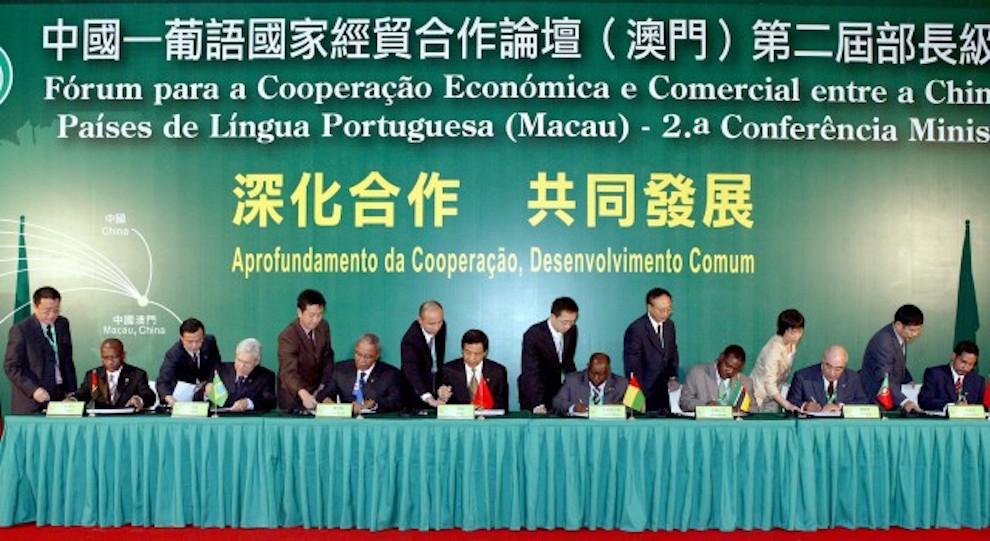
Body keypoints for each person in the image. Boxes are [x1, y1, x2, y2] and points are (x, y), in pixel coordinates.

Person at [4, 286, 77, 414]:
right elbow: (11, 366)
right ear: (35, 306)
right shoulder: (21, 330)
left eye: (56, 310)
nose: (52, 315)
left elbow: (67, 360)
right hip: (31, 401)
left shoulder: (62, 324)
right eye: (47, 311)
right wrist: (33, 389)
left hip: (59, 398)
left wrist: (72, 393)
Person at [623, 287, 680, 414]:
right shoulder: (636, 329)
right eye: (662, 310)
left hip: (664, 391)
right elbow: (632, 366)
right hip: (643, 392)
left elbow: (673, 352)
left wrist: (673, 376)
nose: (666, 313)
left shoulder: (670, 326)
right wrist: (637, 398)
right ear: (650, 307)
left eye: (669, 309)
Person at [519, 296, 579, 414]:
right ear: (553, 317)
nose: (568, 327)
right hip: (534, 390)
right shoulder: (533, 335)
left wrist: (576, 389)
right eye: (565, 322)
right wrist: (537, 403)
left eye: (572, 322)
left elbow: (568, 362)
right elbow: (530, 371)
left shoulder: (572, 331)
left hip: (556, 388)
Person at [277, 289, 334, 411]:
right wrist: (303, 393)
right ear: (299, 312)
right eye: (311, 315)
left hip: (317, 391)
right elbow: (288, 372)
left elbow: (328, 356)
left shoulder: (324, 326)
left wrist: (323, 386)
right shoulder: (288, 336)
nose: (316, 320)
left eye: (320, 314)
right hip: (293, 395)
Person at [316, 333, 403, 414]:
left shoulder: (390, 374)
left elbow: (397, 401)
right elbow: (324, 394)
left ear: (377, 356)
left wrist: (374, 404)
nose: (361, 360)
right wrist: (326, 400)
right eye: (358, 354)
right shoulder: (340, 369)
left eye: (367, 357)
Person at [860, 304, 923, 413]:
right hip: (875, 400)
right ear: (898, 325)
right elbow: (884, 378)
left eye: (918, 330)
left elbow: (896, 361)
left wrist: (907, 379)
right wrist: (905, 402)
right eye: (912, 330)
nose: (915, 334)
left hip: (890, 397)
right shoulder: (884, 341)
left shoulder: (900, 335)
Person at [69, 338, 155, 411]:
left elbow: (149, 396)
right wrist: (73, 400)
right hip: (101, 421)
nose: (110, 362)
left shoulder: (137, 374)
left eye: (114, 357)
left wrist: (139, 399)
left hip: (128, 420)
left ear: (123, 355)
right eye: (105, 358)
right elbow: (82, 394)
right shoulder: (93, 375)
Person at [749, 309, 805, 412]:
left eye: (800, 331)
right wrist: (788, 405)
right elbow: (769, 383)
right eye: (793, 332)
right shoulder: (773, 350)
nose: (797, 336)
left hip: (774, 395)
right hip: (757, 395)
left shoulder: (791, 343)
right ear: (784, 330)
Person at [199, 338, 276, 412]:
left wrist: (248, 403)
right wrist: (206, 393)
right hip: (220, 418)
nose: (241, 366)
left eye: (246, 363)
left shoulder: (266, 376)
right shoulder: (220, 370)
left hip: (249, 419)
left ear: (256, 362)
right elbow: (197, 397)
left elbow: (270, 402)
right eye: (239, 360)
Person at [157, 318, 222, 406]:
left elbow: (216, 363)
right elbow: (163, 381)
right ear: (182, 338)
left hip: (206, 393)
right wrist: (170, 399)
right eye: (190, 342)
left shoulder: (209, 342)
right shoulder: (174, 354)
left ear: (203, 336)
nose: (194, 346)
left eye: (198, 341)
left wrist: (211, 381)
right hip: (184, 398)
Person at [786, 345, 870, 412]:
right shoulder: (802, 377)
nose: (832, 373)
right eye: (829, 367)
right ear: (822, 361)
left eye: (838, 369)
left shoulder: (853, 378)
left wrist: (841, 407)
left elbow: (863, 402)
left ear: (844, 366)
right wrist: (805, 406)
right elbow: (791, 401)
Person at [440, 329, 509, 410]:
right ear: (462, 350)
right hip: (459, 417)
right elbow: (443, 404)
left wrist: (486, 409)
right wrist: (442, 397)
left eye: (477, 354)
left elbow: (502, 406)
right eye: (467, 352)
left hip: (487, 417)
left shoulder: (498, 371)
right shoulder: (448, 370)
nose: (471, 358)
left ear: (485, 353)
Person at [400, 300, 450, 409]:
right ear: (420, 320)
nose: (437, 327)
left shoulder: (442, 327)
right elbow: (411, 372)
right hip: (414, 393)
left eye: (440, 322)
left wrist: (440, 387)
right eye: (431, 324)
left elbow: (438, 361)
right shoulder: (410, 340)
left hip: (433, 388)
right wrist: (428, 398)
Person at [679, 344, 754, 413]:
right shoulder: (697, 373)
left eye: (735, 369)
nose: (730, 371)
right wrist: (705, 405)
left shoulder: (745, 382)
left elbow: (754, 409)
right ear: (721, 357)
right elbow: (684, 402)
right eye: (728, 365)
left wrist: (739, 410)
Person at [552, 352, 628, 416]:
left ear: (608, 371)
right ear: (588, 367)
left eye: (601, 374)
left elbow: (632, 407)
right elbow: (557, 402)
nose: (596, 378)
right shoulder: (572, 380)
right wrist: (573, 407)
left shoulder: (621, 383)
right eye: (592, 373)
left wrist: (618, 408)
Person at [918, 340, 985, 411]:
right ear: (954, 356)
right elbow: (924, 401)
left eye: (971, 364)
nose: (966, 368)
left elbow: (982, 407)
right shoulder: (935, 374)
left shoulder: (978, 381)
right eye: (963, 362)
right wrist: (951, 406)